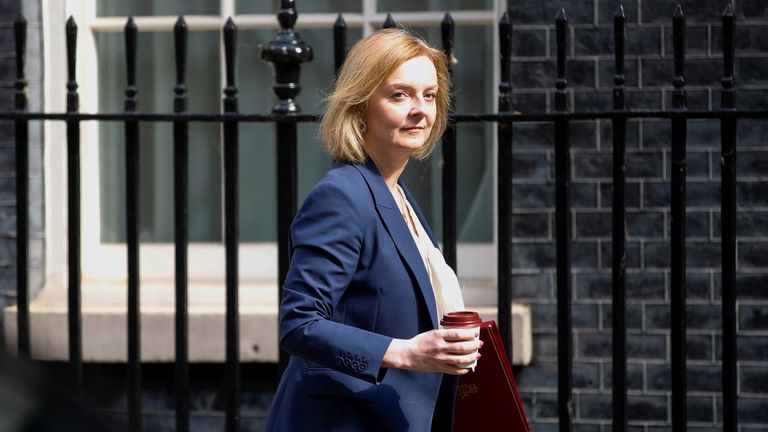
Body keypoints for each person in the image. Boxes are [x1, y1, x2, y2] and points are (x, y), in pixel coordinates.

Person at [264, 28, 482, 432]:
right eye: (400, 95)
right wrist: (405, 352)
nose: (420, 109)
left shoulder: (395, 193)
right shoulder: (342, 196)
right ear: (360, 105)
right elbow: (299, 324)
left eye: (429, 95)